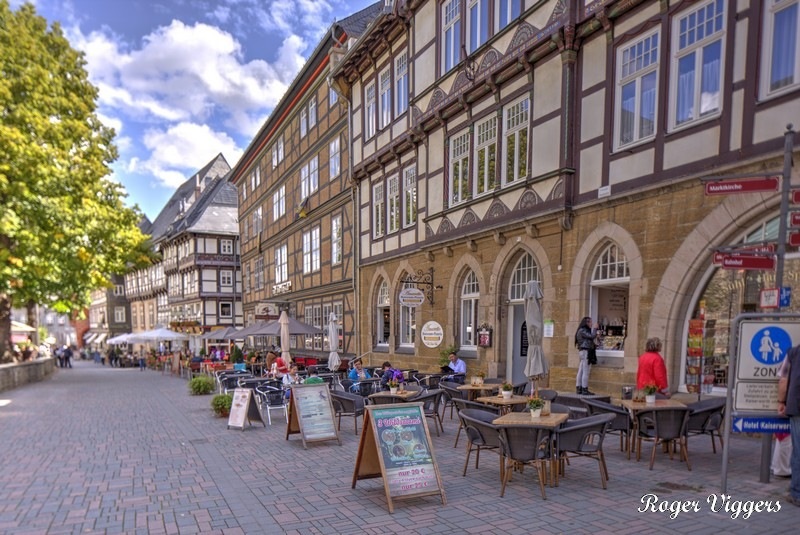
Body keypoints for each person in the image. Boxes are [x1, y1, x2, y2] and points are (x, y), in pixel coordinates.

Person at [777, 344, 800, 506]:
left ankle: (797, 494)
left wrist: (781, 401)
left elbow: (783, 379)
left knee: (798, 453)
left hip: (798, 406)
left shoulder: (794, 352)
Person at [574, 316, 597, 395]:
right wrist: (595, 329)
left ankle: (579, 388)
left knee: (581, 370)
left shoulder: (581, 330)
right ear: (586, 322)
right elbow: (592, 336)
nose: (592, 323)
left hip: (583, 351)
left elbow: (590, 338)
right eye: (590, 322)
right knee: (585, 371)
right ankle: (584, 389)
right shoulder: (583, 330)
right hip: (585, 351)